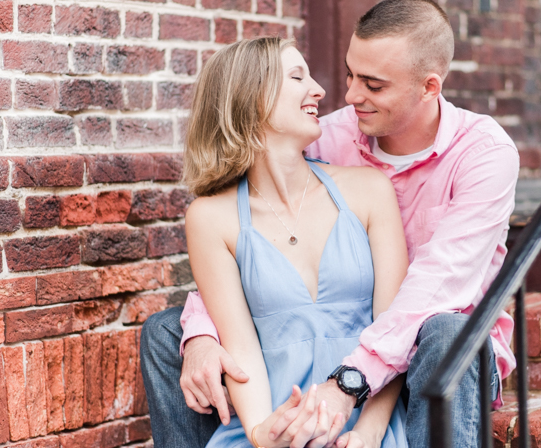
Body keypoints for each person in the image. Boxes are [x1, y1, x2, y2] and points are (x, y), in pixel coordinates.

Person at [140, 0, 519, 448]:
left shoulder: (482, 154)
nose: (347, 95)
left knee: (443, 332)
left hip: (435, 353)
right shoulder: (326, 136)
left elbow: (431, 291)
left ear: (429, 87)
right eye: (349, 74)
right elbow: (250, 239)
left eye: (373, 85)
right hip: (313, 364)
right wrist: (200, 333)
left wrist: (351, 393)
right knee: (167, 331)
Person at [171, 36, 409, 448]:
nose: (318, 90)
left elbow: (394, 332)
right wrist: (263, 433)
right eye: (298, 77)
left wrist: (369, 434)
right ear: (252, 96)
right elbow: (240, 348)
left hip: (366, 423)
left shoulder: (369, 190)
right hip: (274, 425)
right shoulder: (210, 218)